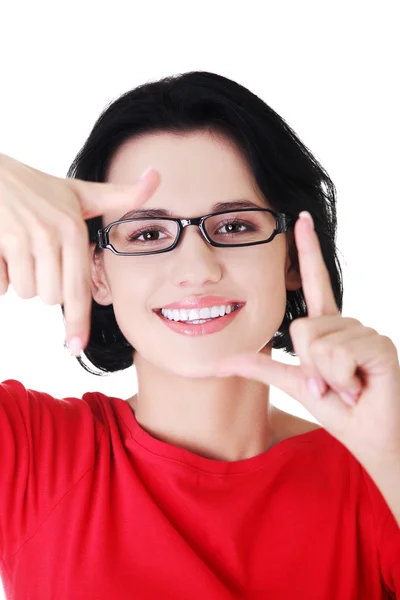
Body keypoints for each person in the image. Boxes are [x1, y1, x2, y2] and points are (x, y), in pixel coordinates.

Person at [0, 70, 398, 599]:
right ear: (95, 272)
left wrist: (392, 456)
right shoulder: (28, 453)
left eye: (234, 226)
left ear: (294, 259)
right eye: (146, 233)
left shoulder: (376, 473)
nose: (196, 268)